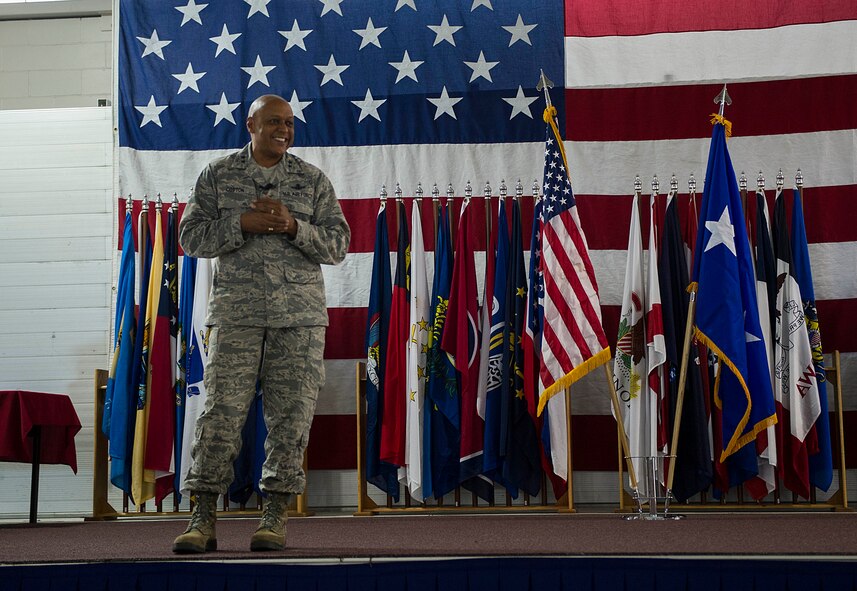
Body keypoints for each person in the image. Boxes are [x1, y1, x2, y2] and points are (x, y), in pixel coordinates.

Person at [173, 94, 350, 553]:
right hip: (237, 316)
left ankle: (274, 517)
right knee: (220, 417)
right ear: (250, 123)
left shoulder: (311, 180)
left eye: (289, 123)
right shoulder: (219, 175)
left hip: (300, 320)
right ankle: (203, 518)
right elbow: (190, 237)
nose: (284, 130)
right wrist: (240, 223)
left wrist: (294, 227)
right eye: (274, 122)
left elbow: (338, 245)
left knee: (290, 420)